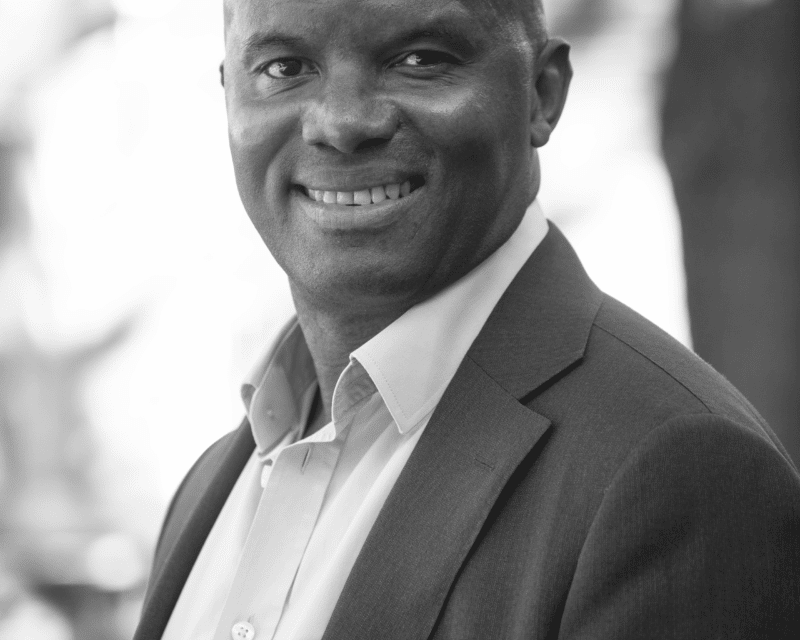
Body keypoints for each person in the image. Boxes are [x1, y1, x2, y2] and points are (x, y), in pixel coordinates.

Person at [134, 0, 800, 638]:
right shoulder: (210, 490)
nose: (341, 122)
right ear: (229, 93)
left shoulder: (679, 475)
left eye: (419, 59)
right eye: (284, 67)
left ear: (541, 94)